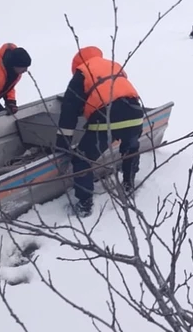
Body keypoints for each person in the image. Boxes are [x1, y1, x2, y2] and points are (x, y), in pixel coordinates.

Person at [55, 45, 144, 218]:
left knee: (82, 160)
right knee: (130, 149)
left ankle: (84, 204)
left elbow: (69, 110)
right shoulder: (113, 65)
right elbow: (114, 90)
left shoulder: (81, 73)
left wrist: (63, 142)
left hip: (108, 119)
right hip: (135, 114)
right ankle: (128, 185)